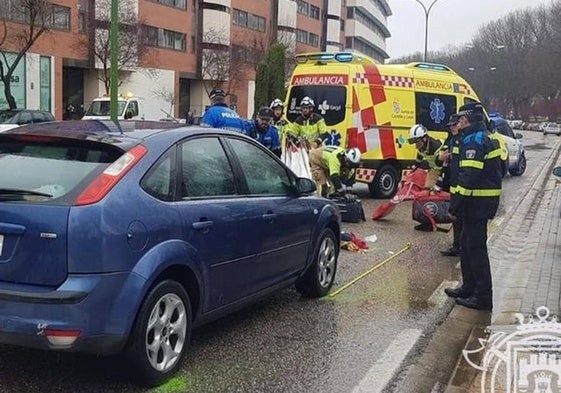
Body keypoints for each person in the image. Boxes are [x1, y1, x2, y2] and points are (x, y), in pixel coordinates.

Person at [444, 102, 503, 311]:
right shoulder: (484, 136)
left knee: (476, 250)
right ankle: (469, 287)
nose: (458, 121)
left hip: (476, 204)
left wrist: (454, 207)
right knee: (467, 245)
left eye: (460, 118)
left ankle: (483, 297)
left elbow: (468, 178)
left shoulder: (474, 140)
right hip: (478, 203)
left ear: (467, 119)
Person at [434, 114, 462, 256]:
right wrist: (440, 158)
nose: (452, 128)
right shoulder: (450, 139)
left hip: (460, 182)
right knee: (454, 215)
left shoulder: (465, 139)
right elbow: (439, 156)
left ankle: (460, 246)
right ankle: (457, 245)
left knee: (460, 216)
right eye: (450, 126)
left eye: (454, 125)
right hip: (450, 180)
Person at [407, 123, 444, 231]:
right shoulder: (422, 146)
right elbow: (419, 158)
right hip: (434, 169)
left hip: (444, 169)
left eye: (417, 142)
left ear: (424, 138)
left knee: (435, 194)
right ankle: (427, 223)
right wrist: (414, 168)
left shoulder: (436, 147)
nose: (416, 145)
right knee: (425, 194)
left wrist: (438, 184)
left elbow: (442, 164)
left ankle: (444, 217)